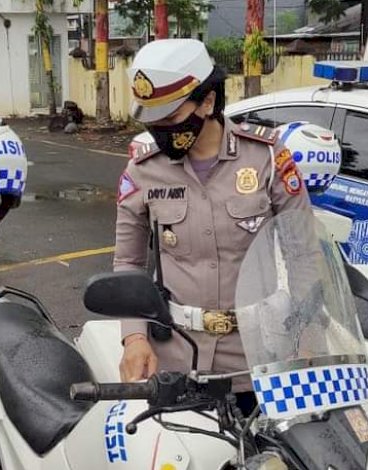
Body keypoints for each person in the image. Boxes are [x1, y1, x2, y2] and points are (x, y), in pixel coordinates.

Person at [114, 39, 312, 397]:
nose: (160, 130)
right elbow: (128, 262)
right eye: (152, 120)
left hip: (259, 357)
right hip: (175, 358)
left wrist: (310, 333)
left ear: (207, 101)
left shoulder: (266, 159)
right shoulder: (143, 169)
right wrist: (133, 337)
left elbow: (305, 254)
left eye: (171, 118)